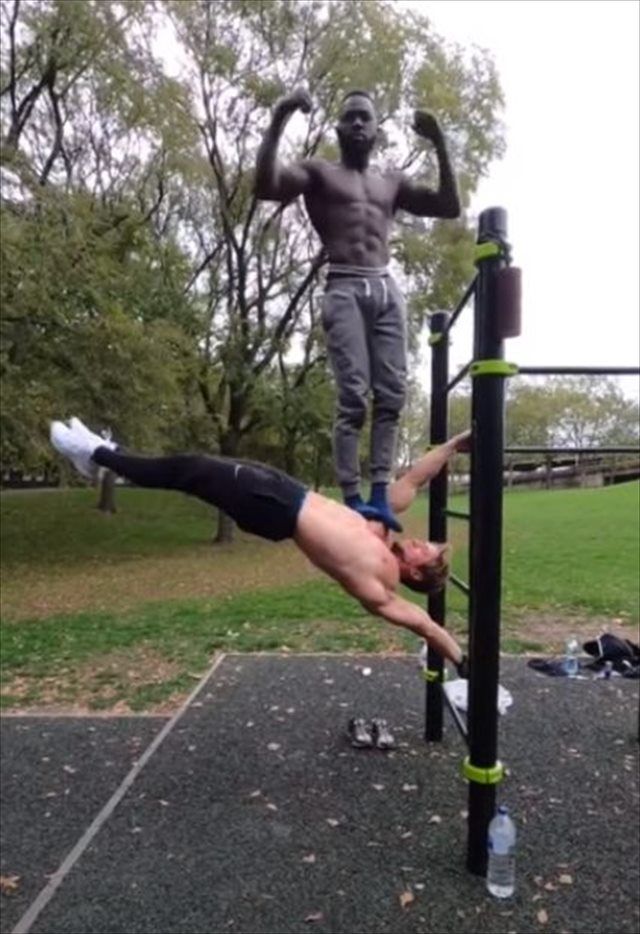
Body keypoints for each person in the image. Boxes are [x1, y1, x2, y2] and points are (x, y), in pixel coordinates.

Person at [50, 418, 470, 675]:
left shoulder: (379, 589)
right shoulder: (381, 525)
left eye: (427, 549)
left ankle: (95, 453)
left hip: (276, 508)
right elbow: (415, 478)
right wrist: (454, 444)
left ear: (417, 571)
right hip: (284, 490)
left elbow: (426, 625)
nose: (421, 541)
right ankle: (105, 452)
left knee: (189, 470)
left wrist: (464, 663)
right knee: (190, 464)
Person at [255, 88, 460, 532]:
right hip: (344, 285)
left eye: (366, 117)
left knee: (392, 394)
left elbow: (448, 206)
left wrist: (439, 140)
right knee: (352, 397)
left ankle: (380, 495)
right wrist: (281, 115)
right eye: (350, 117)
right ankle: (352, 498)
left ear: (377, 129)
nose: (358, 124)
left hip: (385, 287)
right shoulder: (319, 173)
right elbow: (266, 187)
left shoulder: (391, 182)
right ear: (338, 128)